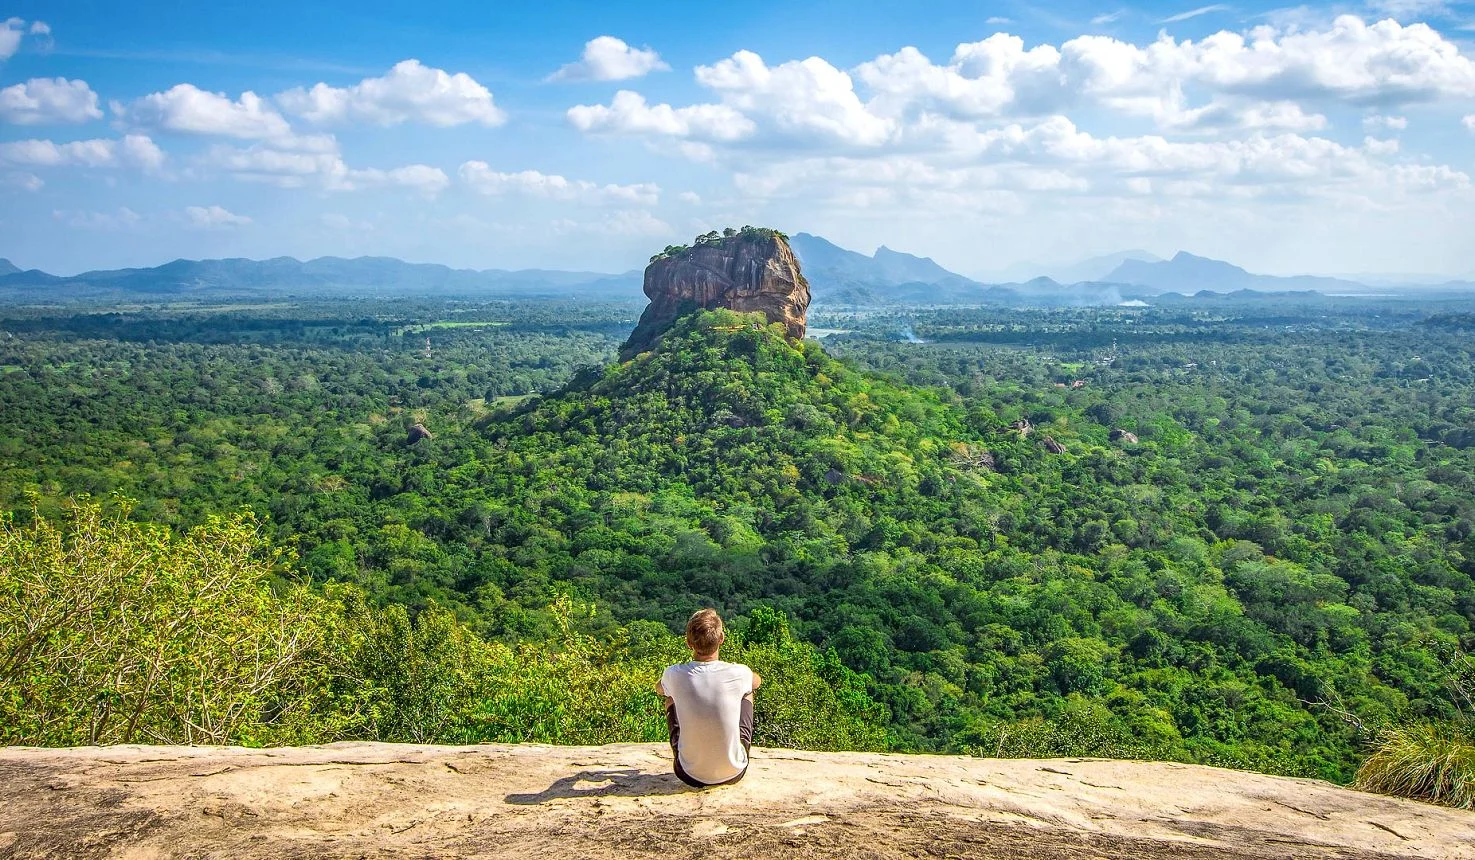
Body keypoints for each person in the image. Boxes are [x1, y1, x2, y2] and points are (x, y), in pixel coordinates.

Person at [656, 608, 761, 788]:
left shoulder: (674, 674)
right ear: (721, 639)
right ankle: (733, 751)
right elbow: (757, 682)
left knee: (670, 697)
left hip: (688, 774)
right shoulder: (739, 672)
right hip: (734, 771)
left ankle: (692, 754)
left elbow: (659, 689)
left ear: (688, 643)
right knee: (747, 692)